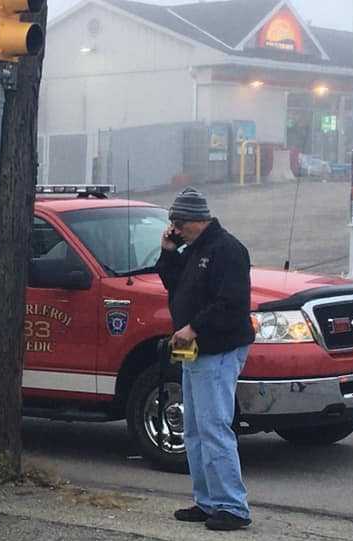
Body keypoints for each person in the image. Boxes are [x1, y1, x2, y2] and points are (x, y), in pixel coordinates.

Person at [156, 187, 255, 531]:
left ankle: (232, 506)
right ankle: (208, 500)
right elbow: (175, 285)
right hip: (196, 351)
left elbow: (232, 303)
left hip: (219, 349)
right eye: (173, 225)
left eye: (179, 224)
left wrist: (194, 327)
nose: (176, 230)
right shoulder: (194, 249)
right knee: (195, 430)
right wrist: (168, 252)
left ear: (196, 220)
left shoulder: (227, 250)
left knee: (214, 427)